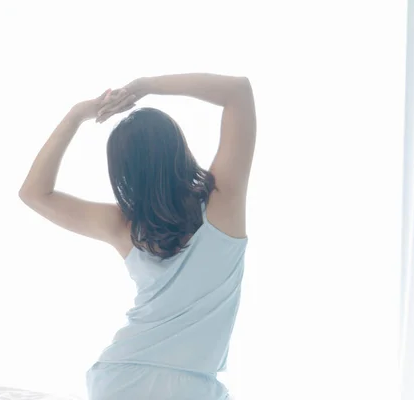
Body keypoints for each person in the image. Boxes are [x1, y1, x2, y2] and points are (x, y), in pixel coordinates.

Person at [19, 73, 256, 400]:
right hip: (190, 387)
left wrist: (77, 115)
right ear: (179, 147)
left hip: (121, 379)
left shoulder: (123, 226)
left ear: (123, 173)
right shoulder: (224, 201)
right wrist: (145, 87)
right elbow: (238, 91)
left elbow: (34, 193)